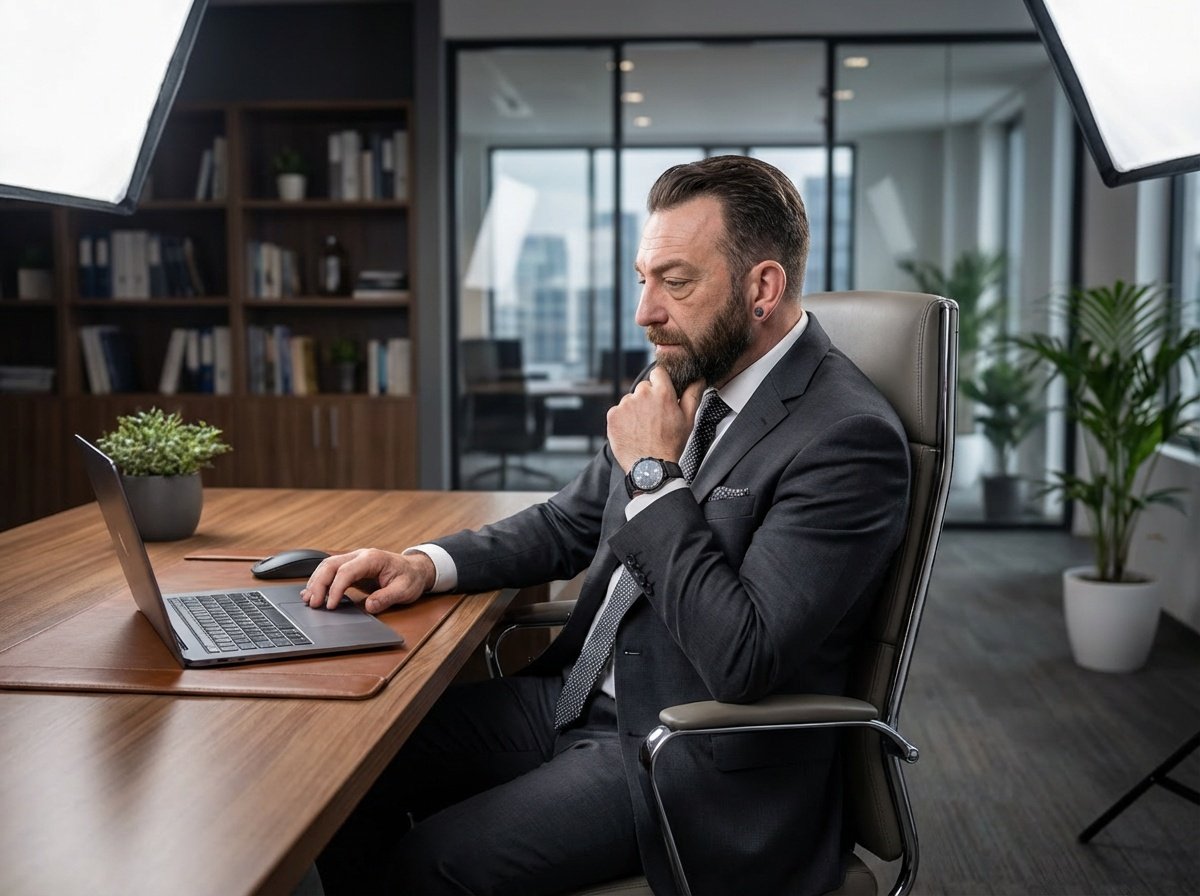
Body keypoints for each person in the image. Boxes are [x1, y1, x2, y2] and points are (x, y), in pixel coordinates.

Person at [304, 155, 912, 896]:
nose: (645, 312)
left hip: (683, 751)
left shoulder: (845, 437)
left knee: (427, 866)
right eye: (642, 278)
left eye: (676, 282)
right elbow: (568, 522)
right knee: (337, 771)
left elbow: (744, 657)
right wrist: (427, 563)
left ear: (762, 288)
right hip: (577, 700)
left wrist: (655, 476)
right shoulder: (684, 372)